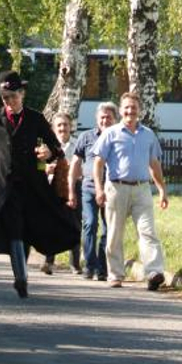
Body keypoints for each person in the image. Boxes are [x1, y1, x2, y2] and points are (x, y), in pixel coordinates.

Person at [0, 70, 69, 299]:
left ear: (22, 94)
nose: (9, 102)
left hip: (31, 186)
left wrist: (48, 153)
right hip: (1, 185)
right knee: (15, 228)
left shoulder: (36, 119)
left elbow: (56, 148)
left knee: (26, 229)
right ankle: (21, 276)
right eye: (5, 98)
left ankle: (26, 271)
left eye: (13, 97)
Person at [92, 92, 168, 290]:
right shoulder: (111, 133)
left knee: (148, 231)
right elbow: (98, 163)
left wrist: (162, 189)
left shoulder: (148, 135)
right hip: (116, 189)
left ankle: (153, 273)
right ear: (120, 110)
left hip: (142, 189)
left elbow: (154, 164)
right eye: (126, 107)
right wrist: (99, 189)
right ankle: (115, 274)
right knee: (115, 233)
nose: (130, 111)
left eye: (133, 107)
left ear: (139, 110)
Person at [67, 102, 119, 281]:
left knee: (108, 229)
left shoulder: (119, 137)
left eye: (109, 117)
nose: (105, 120)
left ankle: (102, 268)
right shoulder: (86, 137)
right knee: (89, 224)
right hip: (88, 188)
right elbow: (74, 164)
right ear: (97, 119)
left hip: (112, 190)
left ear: (115, 119)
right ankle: (90, 265)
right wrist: (71, 191)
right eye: (102, 117)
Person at [41, 112, 83, 275]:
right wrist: (46, 168)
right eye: (59, 125)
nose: (62, 128)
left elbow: (83, 166)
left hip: (74, 188)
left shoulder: (78, 144)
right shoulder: (46, 146)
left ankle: (75, 264)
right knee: (51, 223)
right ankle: (48, 262)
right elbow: (37, 167)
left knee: (74, 224)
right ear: (53, 128)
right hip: (52, 188)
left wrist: (74, 169)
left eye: (65, 124)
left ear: (70, 127)